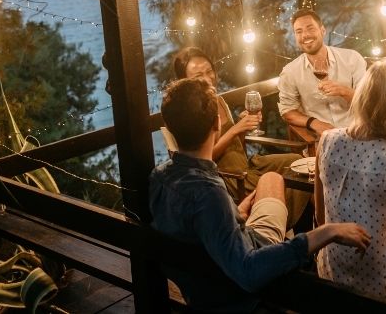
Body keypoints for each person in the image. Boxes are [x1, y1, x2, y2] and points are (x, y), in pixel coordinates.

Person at [149, 78, 371, 313]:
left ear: (169, 127)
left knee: (271, 178)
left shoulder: (160, 176)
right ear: (216, 124)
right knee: (286, 189)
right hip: (239, 290)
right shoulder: (209, 194)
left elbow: (197, 227)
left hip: (221, 259)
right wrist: (325, 233)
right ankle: (310, 257)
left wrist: (236, 214)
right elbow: (248, 272)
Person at [314, 60, 386, 303]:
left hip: (332, 272)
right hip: (383, 286)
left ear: (362, 98)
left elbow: (321, 217)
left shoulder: (327, 140)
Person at [171, 47, 308, 226]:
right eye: (198, 76)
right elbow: (204, 159)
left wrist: (242, 128)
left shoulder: (217, 99)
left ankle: (290, 224)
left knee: (299, 162)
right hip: (232, 178)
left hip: (246, 163)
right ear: (185, 81)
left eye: (209, 71)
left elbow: (237, 144)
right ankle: (277, 223)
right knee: (295, 181)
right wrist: (235, 130)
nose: (208, 78)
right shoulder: (193, 112)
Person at [278, 8, 367, 136]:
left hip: (357, 134)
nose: (305, 35)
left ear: (323, 30)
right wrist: (314, 123)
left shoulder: (352, 58)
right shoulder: (290, 72)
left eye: (310, 28)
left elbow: (369, 101)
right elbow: (287, 111)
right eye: (299, 31)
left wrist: (344, 91)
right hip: (322, 141)